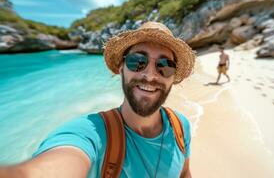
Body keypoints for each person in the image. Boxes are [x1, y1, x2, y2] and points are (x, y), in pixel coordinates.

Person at [0, 21, 195, 178]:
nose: (150, 75)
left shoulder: (179, 127)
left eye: (164, 66)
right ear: (121, 68)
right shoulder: (92, 134)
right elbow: (59, 162)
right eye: (137, 61)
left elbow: (184, 173)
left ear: (172, 77)